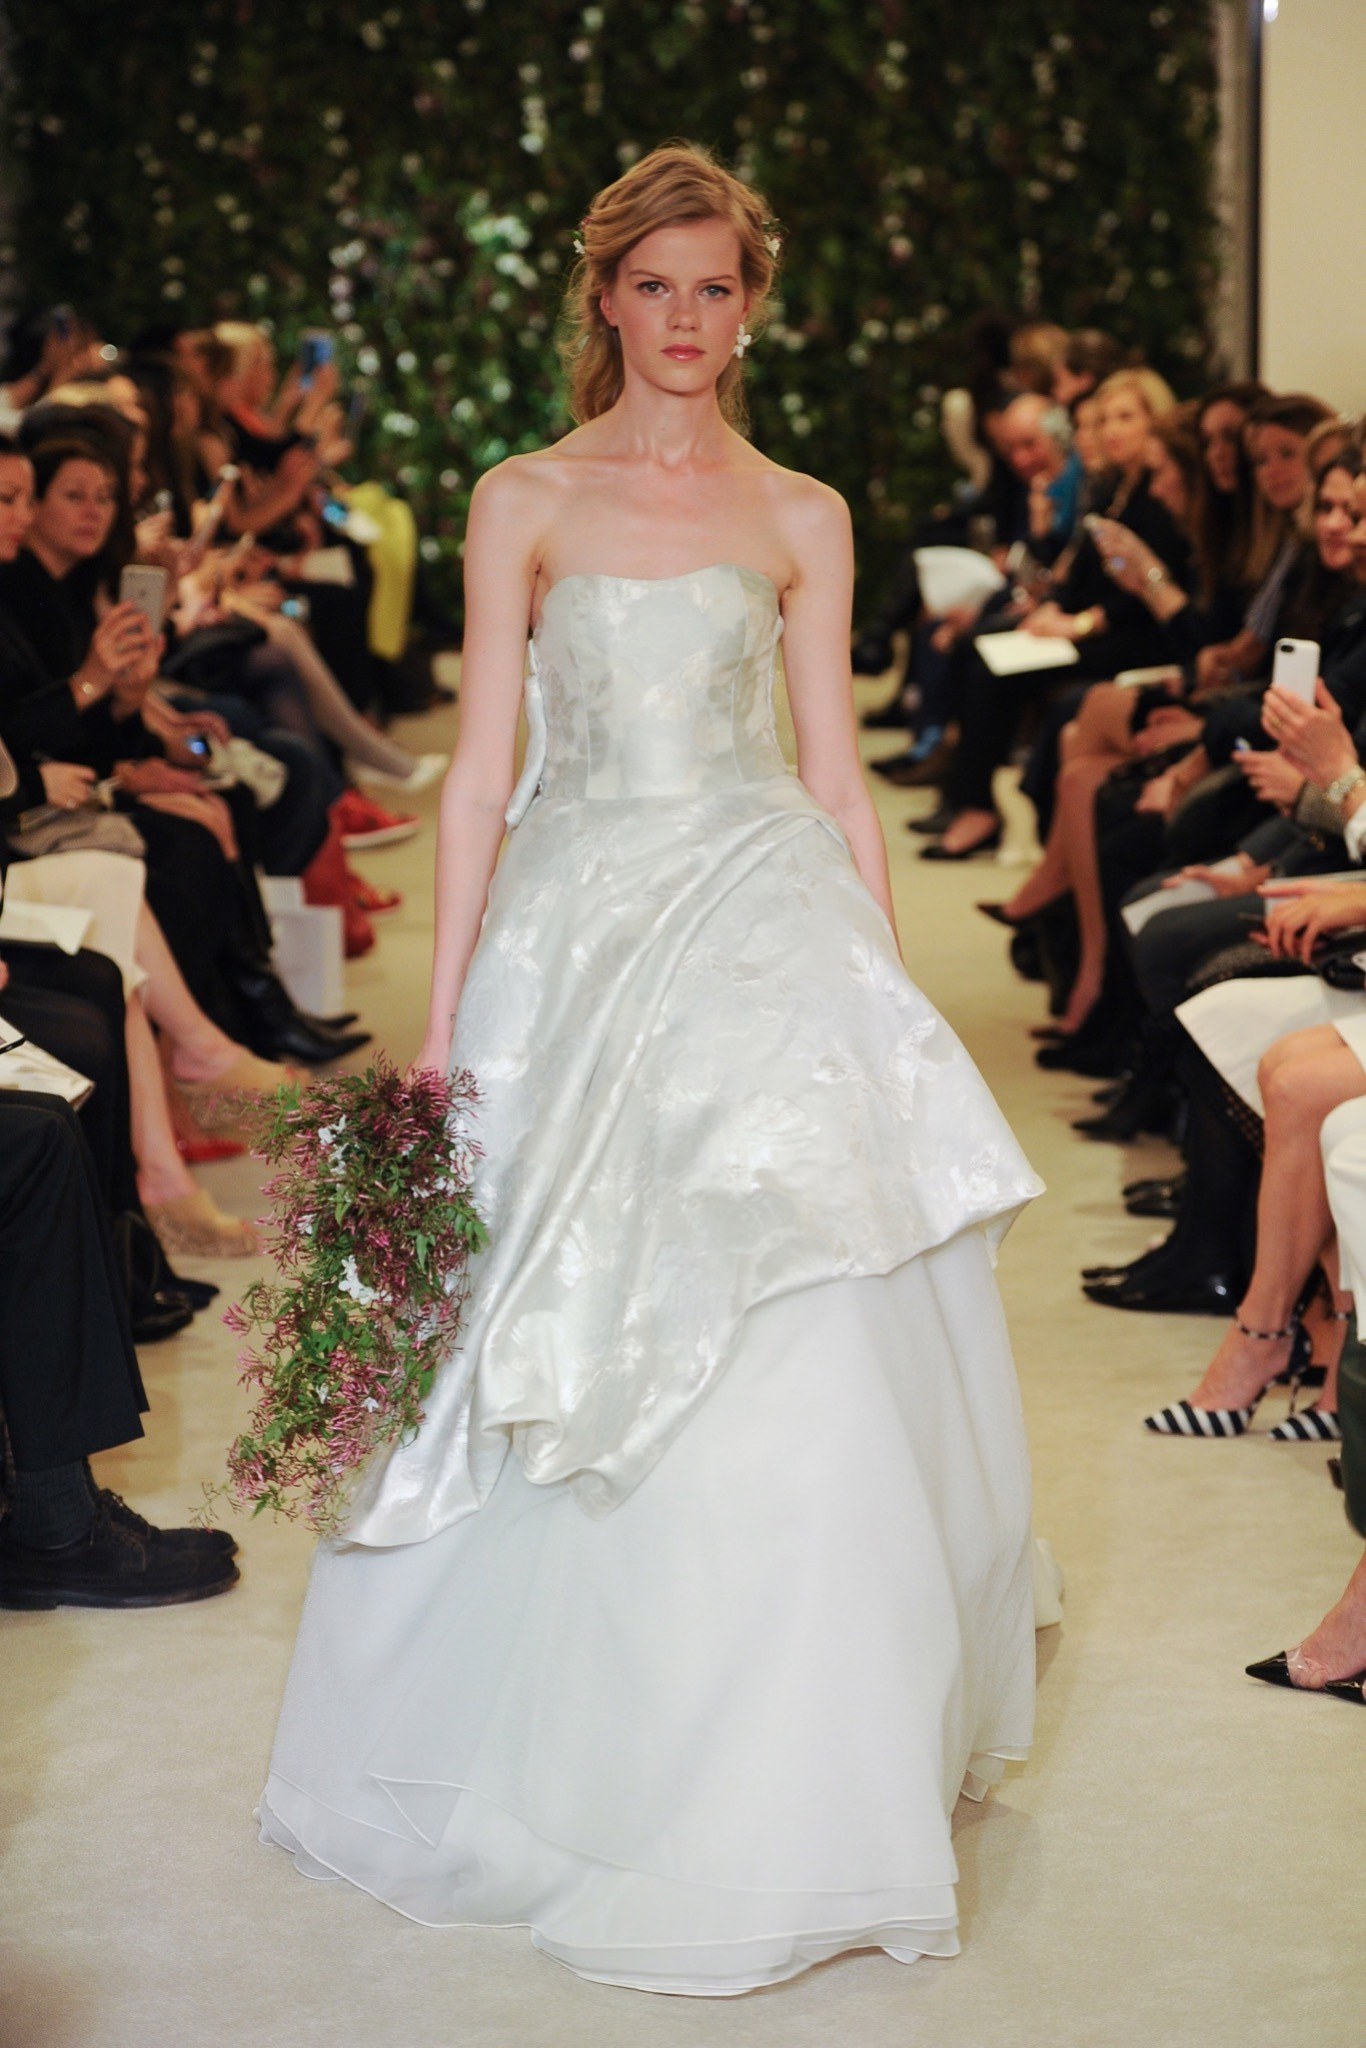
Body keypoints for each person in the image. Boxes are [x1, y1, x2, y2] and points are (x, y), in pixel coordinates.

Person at [257, 143, 1046, 1996]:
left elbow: (834, 771)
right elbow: (477, 773)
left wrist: (884, 993)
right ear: (603, 299)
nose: (686, 319)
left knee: (808, 1296)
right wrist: (441, 1021)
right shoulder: (522, 497)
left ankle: (805, 1768)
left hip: (760, 907)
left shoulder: (804, 511)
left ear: (748, 307)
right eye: (655, 286)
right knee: (550, 1310)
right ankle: (569, 1749)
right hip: (573, 923)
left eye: (716, 288)